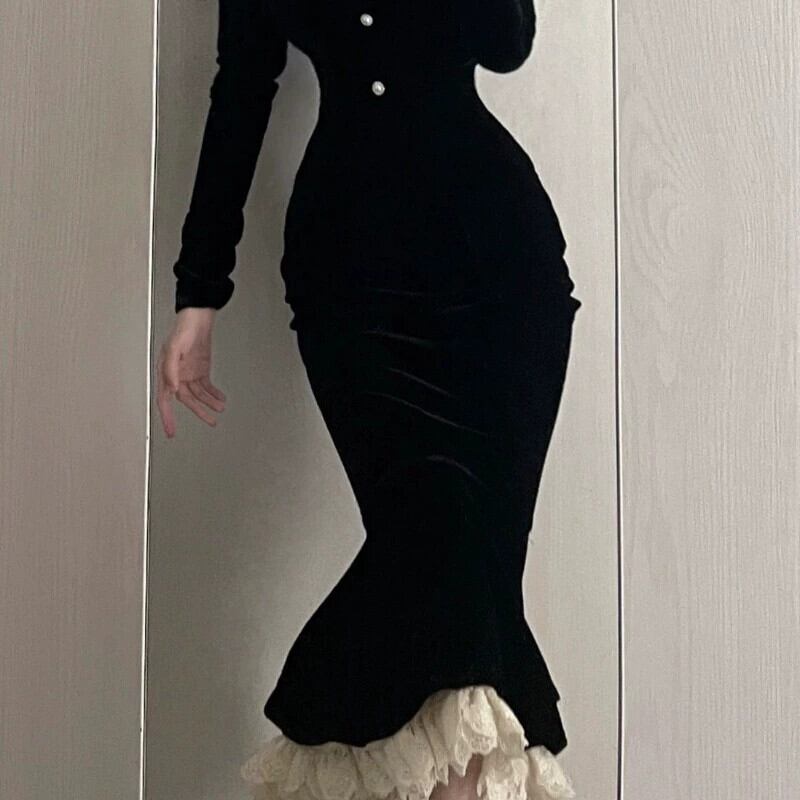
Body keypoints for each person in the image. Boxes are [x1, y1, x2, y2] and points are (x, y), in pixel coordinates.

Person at [156, 2, 581, 799]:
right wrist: (198, 294)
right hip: (353, 279)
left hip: (498, 275)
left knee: (476, 588)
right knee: (440, 556)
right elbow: (241, 89)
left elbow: (507, 44)